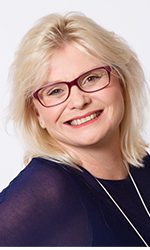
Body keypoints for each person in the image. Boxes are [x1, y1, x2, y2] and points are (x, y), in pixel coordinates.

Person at [1, 11, 150, 246]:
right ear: (37, 113)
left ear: (122, 79)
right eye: (55, 91)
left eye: (91, 78)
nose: (79, 101)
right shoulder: (47, 189)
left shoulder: (143, 167)